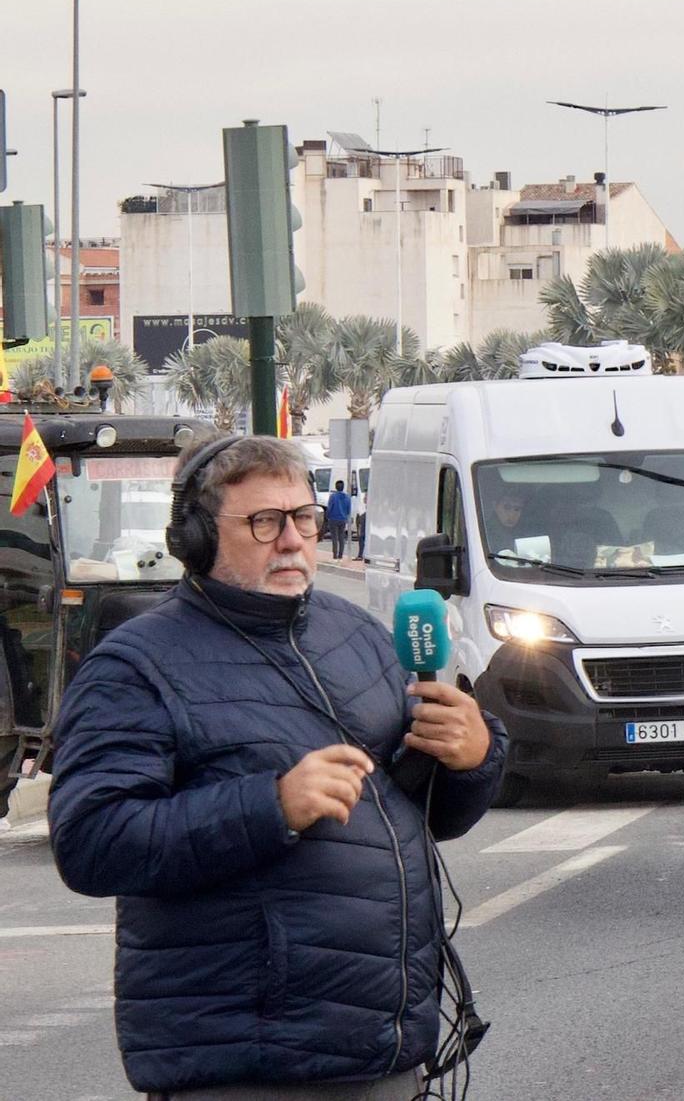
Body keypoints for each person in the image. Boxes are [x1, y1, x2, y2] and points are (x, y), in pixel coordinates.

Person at [47, 435, 507, 1098]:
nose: (292, 540)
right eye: (264, 522)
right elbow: (91, 841)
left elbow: (421, 809)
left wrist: (472, 755)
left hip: (385, 1054)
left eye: (303, 518)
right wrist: (272, 805)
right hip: (249, 1067)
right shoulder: (134, 667)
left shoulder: (358, 635)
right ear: (198, 537)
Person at [325, 478, 354, 560]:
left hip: (333, 519)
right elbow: (349, 509)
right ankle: (340, 555)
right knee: (341, 537)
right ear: (343, 487)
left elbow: (330, 507)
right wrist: (347, 517)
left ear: (336, 487)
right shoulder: (347, 497)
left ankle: (335, 555)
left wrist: (327, 516)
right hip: (343, 519)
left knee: (334, 537)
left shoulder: (333, 497)